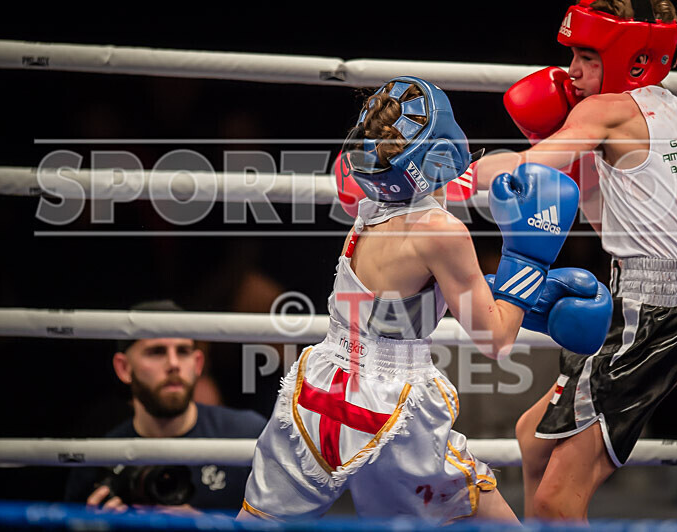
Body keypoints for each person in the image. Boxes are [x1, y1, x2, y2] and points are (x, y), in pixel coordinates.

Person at [238, 76, 609, 524]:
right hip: (394, 409)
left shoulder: (369, 199)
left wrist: (519, 293)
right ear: (445, 145)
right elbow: (495, 340)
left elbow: (408, 292)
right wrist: (528, 257)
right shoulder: (442, 232)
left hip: (318, 390)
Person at [473, 0, 677, 520]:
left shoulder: (603, 111)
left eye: (587, 57)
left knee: (559, 499)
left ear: (630, 58)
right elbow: (615, 218)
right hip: (665, 306)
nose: (571, 72)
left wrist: (462, 171)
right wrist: (560, 143)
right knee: (532, 438)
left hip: (645, 316)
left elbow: (521, 178)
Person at [64, 300, 267, 514]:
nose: (173, 364)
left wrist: (201, 526)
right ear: (123, 368)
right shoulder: (98, 460)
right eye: (157, 351)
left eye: (183, 351)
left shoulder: (247, 435)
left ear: (198, 364)